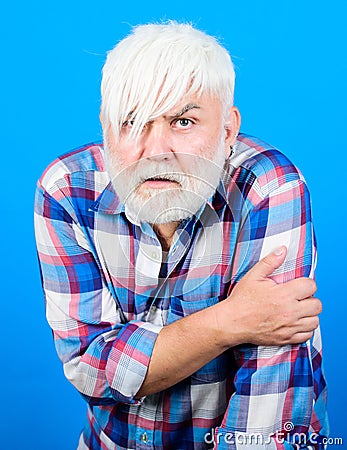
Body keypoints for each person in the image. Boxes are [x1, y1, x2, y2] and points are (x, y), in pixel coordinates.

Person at [34, 21, 328, 449]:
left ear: (227, 131)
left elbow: (268, 408)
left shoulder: (268, 189)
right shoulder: (66, 190)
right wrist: (231, 321)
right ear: (105, 127)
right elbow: (91, 368)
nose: (155, 149)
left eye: (183, 121)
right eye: (131, 120)